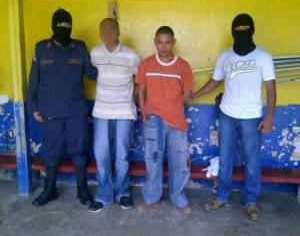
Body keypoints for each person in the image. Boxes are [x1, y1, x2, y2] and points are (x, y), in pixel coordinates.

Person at [192, 14, 276, 219]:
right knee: (226, 158)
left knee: (252, 160)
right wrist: (195, 94)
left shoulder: (263, 57)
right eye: (237, 29)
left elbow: (271, 89)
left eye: (246, 28)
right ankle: (221, 196)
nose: (241, 32)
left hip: (252, 116)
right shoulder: (225, 56)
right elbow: (215, 81)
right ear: (232, 31)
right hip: (228, 114)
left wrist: (270, 117)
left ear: (252, 30)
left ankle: (251, 201)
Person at [27, 9, 101, 211]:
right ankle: (49, 189)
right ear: (53, 26)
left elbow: (92, 73)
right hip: (50, 110)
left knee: (79, 151)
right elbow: (33, 80)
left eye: (68, 26)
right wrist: (33, 107)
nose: (64, 29)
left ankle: (82, 190)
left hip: (76, 111)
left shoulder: (79, 48)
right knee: (51, 152)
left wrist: (115, 68)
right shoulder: (42, 49)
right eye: (60, 25)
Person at [135, 26, 194, 214]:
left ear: (174, 42)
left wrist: (173, 105)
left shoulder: (183, 66)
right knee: (153, 161)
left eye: (167, 42)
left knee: (179, 161)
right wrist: (145, 111)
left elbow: (187, 92)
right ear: (155, 42)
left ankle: (179, 198)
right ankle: (152, 198)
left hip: (177, 121)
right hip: (153, 120)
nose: (163, 46)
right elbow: (141, 90)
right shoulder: (146, 65)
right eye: (160, 42)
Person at [89, 18, 140, 211]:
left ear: (118, 31)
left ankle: (123, 193)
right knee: (101, 154)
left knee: (122, 155)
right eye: (103, 30)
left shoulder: (132, 56)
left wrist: (131, 97)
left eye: (111, 30)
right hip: (101, 111)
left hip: (125, 111)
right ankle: (104, 195)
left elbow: (140, 81)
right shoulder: (95, 53)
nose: (107, 34)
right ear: (99, 33)